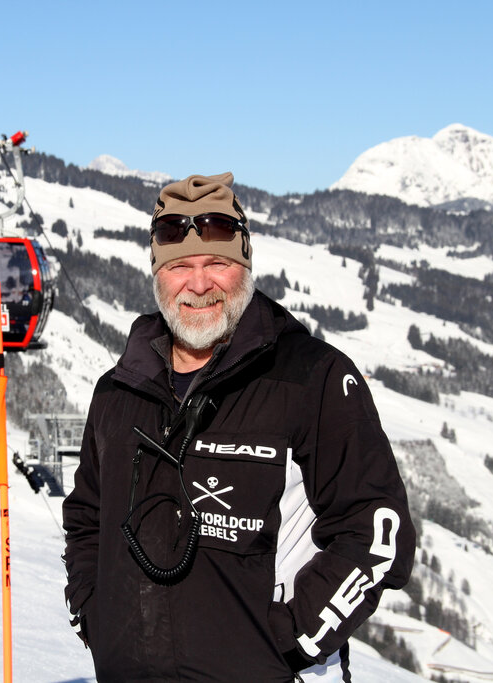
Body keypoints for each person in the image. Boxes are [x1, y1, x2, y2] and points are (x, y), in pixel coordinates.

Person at [62, 172, 415, 682]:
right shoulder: (119, 392)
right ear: (157, 274)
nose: (200, 284)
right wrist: (95, 618)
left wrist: (289, 644)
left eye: (218, 264)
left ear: (245, 266)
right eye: (180, 265)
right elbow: (86, 520)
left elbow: (379, 533)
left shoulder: (310, 379)